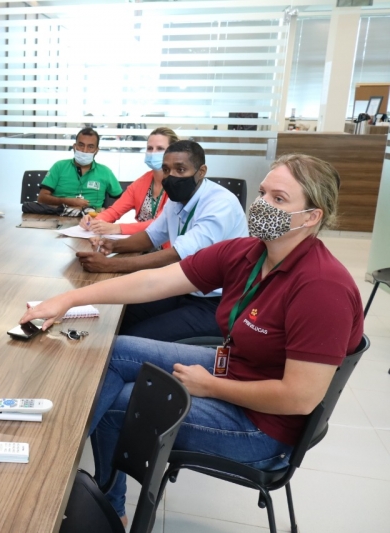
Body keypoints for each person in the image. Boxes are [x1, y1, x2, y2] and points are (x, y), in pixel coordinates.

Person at [21, 154, 364, 526]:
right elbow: (155, 281)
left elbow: (300, 397)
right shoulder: (248, 253)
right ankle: (85, 489)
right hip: (235, 373)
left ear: (311, 216)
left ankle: (63, 490)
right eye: (263, 193)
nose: (262, 204)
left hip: (261, 429)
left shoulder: (321, 287)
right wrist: (68, 299)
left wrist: (212, 387)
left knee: (118, 402)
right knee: (114, 353)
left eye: (279, 199)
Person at [78, 140, 248, 341]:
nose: (171, 176)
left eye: (180, 169)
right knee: (117, 317)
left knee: (132, 339)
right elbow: (151, 236)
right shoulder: (178, 199)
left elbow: (178, 255)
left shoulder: (220, 204)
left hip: (216, 302)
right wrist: (114, 245)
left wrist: (109, 265)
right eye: (166, 170)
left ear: (201, 171)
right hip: (183, 289)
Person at [79, 127, 178, 236]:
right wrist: (94, 221)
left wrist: (118, 228)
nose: (153, 153)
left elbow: (161, 224)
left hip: (169, 245)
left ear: (173, 153)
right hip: (143, 242)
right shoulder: (142, 182)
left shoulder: (178, 185)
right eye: (150, 148)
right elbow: (115, 210)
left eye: (160, 149)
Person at [37, 127, 123, 211]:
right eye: (81, 145)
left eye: (90, 147)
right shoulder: (59, 166)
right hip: (59, 215)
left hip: (93, 217)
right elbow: (41, 198)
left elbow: (123, 200)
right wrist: (68, 202)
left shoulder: (105, 172)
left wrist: (108, 212)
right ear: (74, 146)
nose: (84, 150)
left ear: (96, 150)